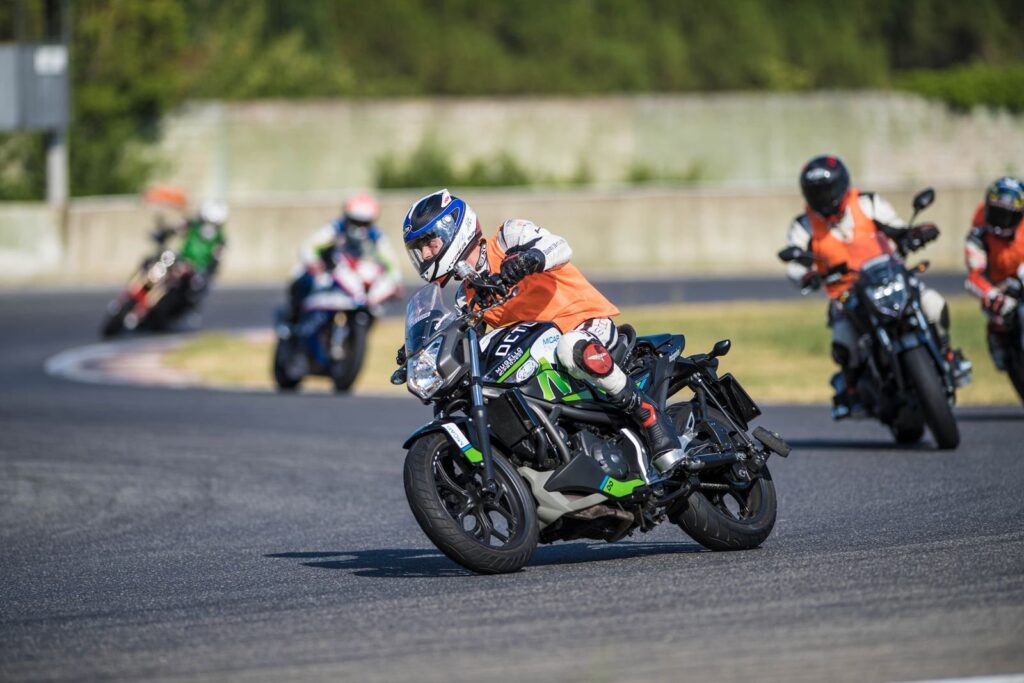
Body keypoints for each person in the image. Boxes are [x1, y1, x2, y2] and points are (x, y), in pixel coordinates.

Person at [399, 188, 686, 467]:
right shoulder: (467, 296)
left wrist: (528, 259)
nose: (425, 254)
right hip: (545, 355)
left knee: (571, 347)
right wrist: (425, 349)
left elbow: (560, 247)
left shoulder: (507, 237)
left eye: (429, 243)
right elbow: (467, 338)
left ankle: (647, 414)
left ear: (453, 230)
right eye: (419, 249)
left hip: (585, 324)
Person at [781, 155, 966, 418]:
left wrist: (915, 234)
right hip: (845, 294)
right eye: (816, 192)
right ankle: (853, 391)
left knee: (933, 304)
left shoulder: (867, 203)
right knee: (844, 342)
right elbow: (795, 264)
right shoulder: (803, 225)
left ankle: (947, 356)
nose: (824, 197)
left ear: (842, 185)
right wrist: (805, 275)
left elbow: (898, 228)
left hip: (889, 276)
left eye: (828, 190)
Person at [284, 191, 402, 323]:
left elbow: (391, 261)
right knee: (300, 279)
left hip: (356, 282)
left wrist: (395, 281)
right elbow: (309, 247)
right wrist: (314, 263)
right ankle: (293, 321)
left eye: (365, 223)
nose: (360, 228)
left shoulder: (377, 236)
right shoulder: (335, 228)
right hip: (329, 273)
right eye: (356, 221)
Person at [964, 176, 1024, 370]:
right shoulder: (979, 233)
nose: (1001, 222)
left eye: (1008, 215)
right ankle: (999, 342)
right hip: (1002, 287)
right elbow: (974, 275)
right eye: (997, 213)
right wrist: (994, 295)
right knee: (1000, 321)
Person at [144, 185, 228, 304]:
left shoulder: (220, 240)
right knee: (153, 262)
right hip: (180, 260)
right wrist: (162, 235)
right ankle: (143, 290)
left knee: (192, 294)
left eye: (213, 225)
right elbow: (174, 229)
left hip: (195, 272)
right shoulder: (192, 224)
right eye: (206, 223)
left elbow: (215, 261)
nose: (208, 228)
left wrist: (204, 274)